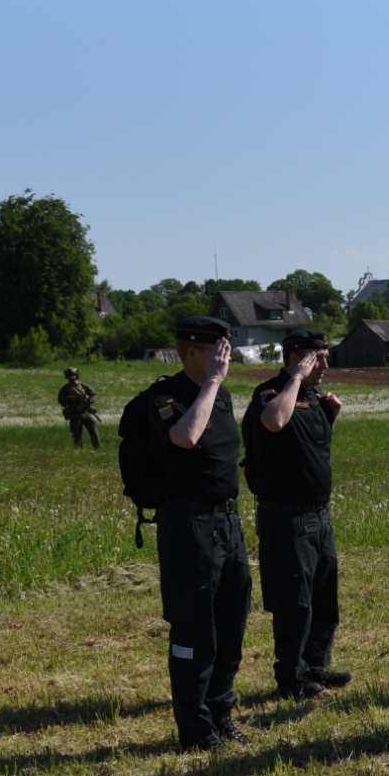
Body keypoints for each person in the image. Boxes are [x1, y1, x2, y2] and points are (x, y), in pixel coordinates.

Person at [147, 316, 252, 751]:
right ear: (192, 352)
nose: (225, 358)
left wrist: (215, 386)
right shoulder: (164, 396)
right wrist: (211, 384)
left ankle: (220, 713)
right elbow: (185, 437)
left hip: (227, 523)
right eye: (218, 349)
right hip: (189, 524)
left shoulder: (221, 395)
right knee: (194, 630)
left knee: (231, 624)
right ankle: (195, 729)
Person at [242, 329, 351, 701]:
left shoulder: (315, 397)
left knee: (324, 597)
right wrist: (296, 379)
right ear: (294, 358)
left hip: (319, 514)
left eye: (324, 357)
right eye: (316, 358)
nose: (324, 365)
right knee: (294, 601)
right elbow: (273, 423)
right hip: (286, 515)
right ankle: (291, 676)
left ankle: (315, 666)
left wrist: (330, 415)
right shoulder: (271, 394)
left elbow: (304, 448)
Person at [58, 366, 101, 450]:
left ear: (77, 375)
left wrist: (90, 400)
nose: (72, 377)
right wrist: (69, 399)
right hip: (75, 413)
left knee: (94, 433)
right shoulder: (65, 389)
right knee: (77, 434)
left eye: (73, 375)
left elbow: (94, 394)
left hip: (87, 412)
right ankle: (78, 450)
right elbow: (60, 399)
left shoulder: (84, 386)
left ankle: (97, 449)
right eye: (70, 375)